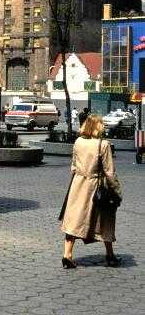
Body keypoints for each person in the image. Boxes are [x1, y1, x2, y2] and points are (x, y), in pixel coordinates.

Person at [59, 114, 123, 268]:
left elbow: (73, 166)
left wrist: (77, 180)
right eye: (102, 124)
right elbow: (109, 172)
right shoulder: (103, 144)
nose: (104, 126)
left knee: (74, 219)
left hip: (78, 185)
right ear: (97, 126)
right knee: (106, 219)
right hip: (97, 187)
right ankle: (110, 255)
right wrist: (117, 190)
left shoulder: (78, 141)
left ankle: (67, 255)